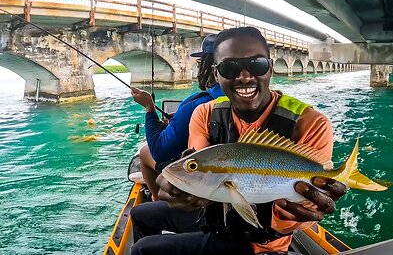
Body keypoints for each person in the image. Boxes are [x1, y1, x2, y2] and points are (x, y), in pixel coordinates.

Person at [134, 26, 347, 255]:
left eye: (257, 65)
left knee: (142, 250)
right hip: (215, 213)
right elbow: (200, 164)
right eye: (229, 68)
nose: (245, 76)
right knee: (139, 214)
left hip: (257, 240)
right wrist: (185, 191)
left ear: (270, 68)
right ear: (216, 74)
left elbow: (299, 206)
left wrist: (299, 213)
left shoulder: (310, 123)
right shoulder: (205, 113)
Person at [130, 34, 222, 201]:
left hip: (199, 178)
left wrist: (149, 108)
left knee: (145, 152)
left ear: (210, 67)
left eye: (201, 64)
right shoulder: (242, 99)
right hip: (221, 172)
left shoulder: (197, 103)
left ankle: (156, 199)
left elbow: (159, 151)